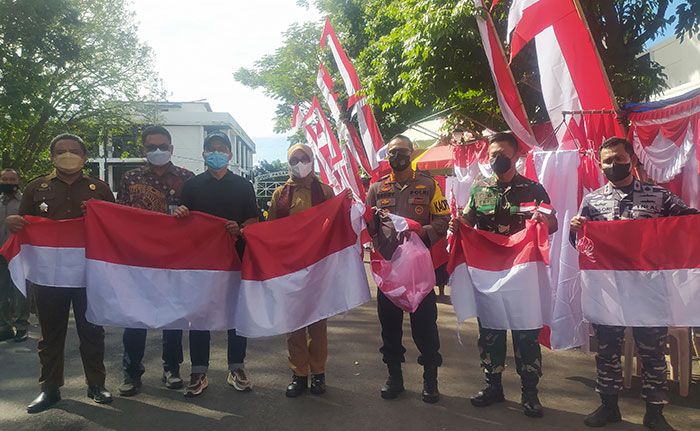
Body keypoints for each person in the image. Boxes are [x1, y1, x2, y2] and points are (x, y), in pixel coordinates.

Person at [570, 137, 697, 431]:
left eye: (618, 158)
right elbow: (583, 248)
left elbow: (688, 224)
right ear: (600, 165)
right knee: (608, 350)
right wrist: (576, 230)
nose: (613, 165)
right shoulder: (592, 201)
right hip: (610, 290)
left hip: (649, 290)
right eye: (607, 161)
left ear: (633, 159)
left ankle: (655, 411)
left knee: (652, 352)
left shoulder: (659, 197)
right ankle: (609, 406)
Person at [450, 132, 557, 418]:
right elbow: (468, 221)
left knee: (526, 334)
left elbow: (553, 222)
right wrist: (456, 223)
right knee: (491, 332)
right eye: (492, 154)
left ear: (515, 156)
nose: (496, 159)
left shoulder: (534, 189)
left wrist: (543, 219)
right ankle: (493, 385)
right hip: (491, 275)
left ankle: (530, 391)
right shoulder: (480, 189)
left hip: (522, 275)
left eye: (502, 154)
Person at [5, 133, 115, 413]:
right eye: (61, 151)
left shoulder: (99, 188)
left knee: (92, 331)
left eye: (74, 150)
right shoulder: (35, 188)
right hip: (49, 275)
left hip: (87, 274)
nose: (68, 155)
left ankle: (96, 384)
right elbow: (24, 221)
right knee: (50, 334)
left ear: (85, 156)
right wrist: (14, 222)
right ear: (52, 156)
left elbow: (113, 226)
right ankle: (49, 389)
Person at [173, 132, 260, 398]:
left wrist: (241, 228)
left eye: (222, 149)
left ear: (230, 155)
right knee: (200, 315)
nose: (217, 153)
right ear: (203, 154)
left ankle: (237, 367)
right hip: (201, 262)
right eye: (211, 149)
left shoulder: (243, 186)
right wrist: (181, 213)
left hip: (236, 258)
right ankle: (198, 371)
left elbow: (254, 220)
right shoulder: (192, 185)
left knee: (236, 315)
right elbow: (179, 217)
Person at [365, 134, 450, 404]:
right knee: (389, 326)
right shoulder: (377, 189)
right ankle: (394, 377)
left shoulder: (429, 185)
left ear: (411, 154)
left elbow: (442, 220)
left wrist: (417, 235)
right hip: (389, 270)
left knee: (425, 326)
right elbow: (369, 224)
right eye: (392, 152)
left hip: (418, 269)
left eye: (401, 151)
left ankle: (430, 378)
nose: (397, 156)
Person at [116, 126, 194, 397]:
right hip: (139, 260)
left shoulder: (187, 178)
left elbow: (197, 220)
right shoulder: (130, 178)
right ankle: (131, 372)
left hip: (175, 259)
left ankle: (172, 369)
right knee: (135, 317)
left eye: (162, 146)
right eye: (151, 147)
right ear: (143, 149)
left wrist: (188, 214)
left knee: (173, 316)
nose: (157, 151)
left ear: (172, 148)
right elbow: (121, 217)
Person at [267, 143, 335, 398]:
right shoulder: (280, 194)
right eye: (294, 159)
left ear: (312, 161)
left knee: (317, 322)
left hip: (318, 267)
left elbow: (336, 224)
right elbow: (271, 230)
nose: (299, 163)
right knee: (294, 323)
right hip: (290, 268)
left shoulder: (326, 192)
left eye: (303, 158)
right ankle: (298, 374)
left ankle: (318, 373)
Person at [0, 168, 30, 342]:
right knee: (2, 291)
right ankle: (4, 325)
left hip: (20, 254)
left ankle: (21, 326)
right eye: (4, 179)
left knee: (21, 290)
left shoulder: (26, 201)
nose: (8, 182)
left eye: (12, 179)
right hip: (0, 253)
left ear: (18, 181)